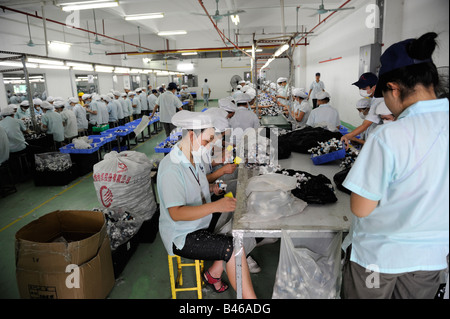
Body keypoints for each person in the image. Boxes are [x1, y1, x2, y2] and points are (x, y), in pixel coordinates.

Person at [341, 32, 449, 299]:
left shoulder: (390, 136)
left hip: (378, 259)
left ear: (394, 88)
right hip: (430, 261)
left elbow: (361, 208)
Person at [157, 110, 257, 298]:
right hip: (183, 235)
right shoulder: (171, 168)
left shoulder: (193, 158)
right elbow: (176, 214)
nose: (210, 145)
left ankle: (214, 273)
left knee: (242, 219)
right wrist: (216, 206)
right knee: (232, 246)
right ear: (192, 135)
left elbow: (197, 184)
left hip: (201, 219)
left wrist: (212, 190)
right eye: (207, 140)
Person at [341, 72, 386, 149]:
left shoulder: (379, 101)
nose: (361, 90)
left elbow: (365, 125)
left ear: (374, 87)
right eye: (360, 88)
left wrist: (349, 135)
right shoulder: (373, 99)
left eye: (364, 88)